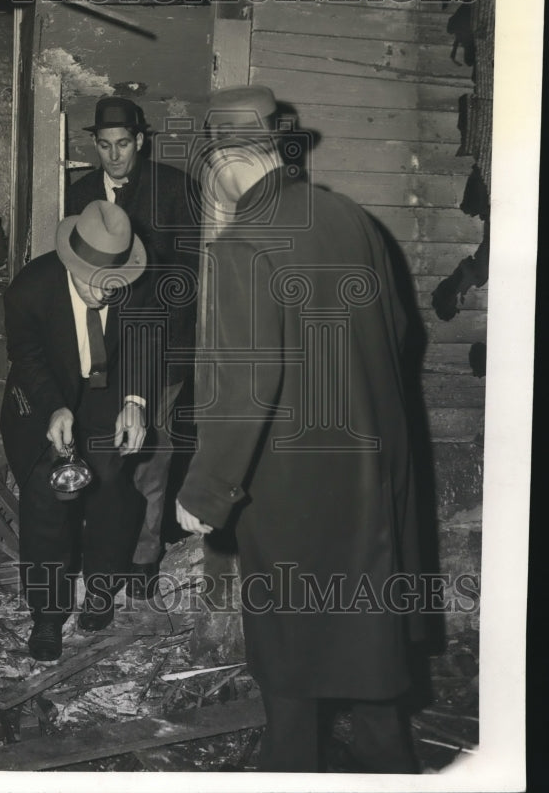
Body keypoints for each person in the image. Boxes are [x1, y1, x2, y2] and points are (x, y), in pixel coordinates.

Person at [176, 85, 422, 773]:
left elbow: (244, 385)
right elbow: (400, 336)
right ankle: (393, 765)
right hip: (373, 463)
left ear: (222, 159)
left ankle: (289, 769)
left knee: (289, 640)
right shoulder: (351, 219)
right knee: (367, 619)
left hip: (290, 479)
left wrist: (206, 490)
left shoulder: (242, 245)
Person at [0, 200, 151, 661]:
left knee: (111, 491)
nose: (103, 294)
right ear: (70, 262)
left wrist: (135, 401)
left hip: (110, 393)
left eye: (112, 284)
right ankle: (48, 613)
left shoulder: (137, 286)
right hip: (47, 392)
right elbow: (27, 360)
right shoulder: (30, 289)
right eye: (91, 281)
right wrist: (54, 410)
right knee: (49, 499)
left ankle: (102, 591)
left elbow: (146, 342)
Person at [67, 96, 198, 597]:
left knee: (150, 456)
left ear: (140, 141)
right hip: (100, 351)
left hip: (162, 348)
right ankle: (102, 554)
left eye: (123, 144)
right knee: (100, 452)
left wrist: (153, 310)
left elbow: (191, 275)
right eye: (104, 145)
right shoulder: (80, 194)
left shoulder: (173, 188)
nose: (114, 155)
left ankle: (143, 559)